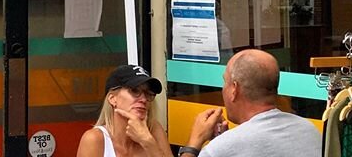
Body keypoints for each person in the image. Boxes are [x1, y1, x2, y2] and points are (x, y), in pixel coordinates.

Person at [178, 49, 321, 157]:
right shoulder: (310, 131)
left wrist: (193, 144)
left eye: (225, 82)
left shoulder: (219, 150)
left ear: (234, 89)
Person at [76, 64, 172, 157]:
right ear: (112, 98)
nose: (143, 99)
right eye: (134, 91)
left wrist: (147, 141)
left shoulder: (153, 130)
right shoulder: (95, 139)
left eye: (148, 93)